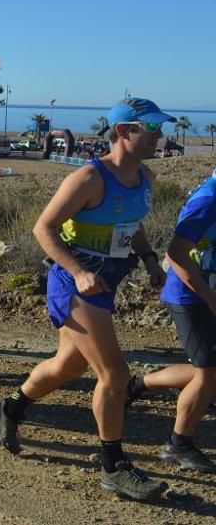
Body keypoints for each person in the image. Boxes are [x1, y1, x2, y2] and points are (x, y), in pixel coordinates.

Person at [0, 98, 174, 500]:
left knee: (67, 366)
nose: (161, 136)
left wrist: (150, 260)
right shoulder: (90, 178)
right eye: (152, 129)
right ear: (124, 132)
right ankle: (113, 466)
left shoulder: (145, 177)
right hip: (74, 287)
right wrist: (79, 271)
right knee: (115, 375)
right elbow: (43, 229)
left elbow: (132, 226)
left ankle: (11, 407)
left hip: (105, 285)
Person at [125, 168, 216, 470]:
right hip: (190, 296)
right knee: (207, 372)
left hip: (205, 292)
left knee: (205, 368)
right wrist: (208, 296)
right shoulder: (208, 200)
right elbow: (176, 253)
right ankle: (179, 443)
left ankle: (137, 386)